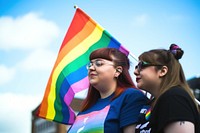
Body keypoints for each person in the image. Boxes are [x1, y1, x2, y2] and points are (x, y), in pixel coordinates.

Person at [68, 48, 147, 133]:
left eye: (99, 63)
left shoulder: (130, 96)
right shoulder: (86, 107)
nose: (91, 68)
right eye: (90, 64)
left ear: (117, 71)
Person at [134, 44, 200, 133]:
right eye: (136, 66)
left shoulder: (175, 98)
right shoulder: (155, 102)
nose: (135, 72)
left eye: (141, 65)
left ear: (162, 71)